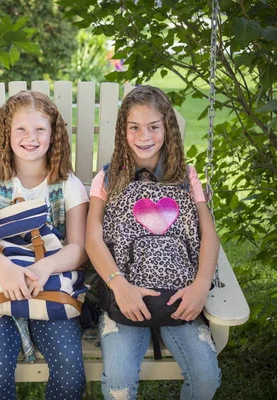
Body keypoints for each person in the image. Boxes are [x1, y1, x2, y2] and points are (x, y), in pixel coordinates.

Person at [85, 85, 221, 399]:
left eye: (153, 127)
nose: (144, 136)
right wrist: (119, 286)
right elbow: (93, 237)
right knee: (118, 385)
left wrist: (201, 285)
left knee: (205, 379)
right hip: (126, 299)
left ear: (167, 129)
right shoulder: (106, 179)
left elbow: (208, 234)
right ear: (123, 131)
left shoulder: (186, 176)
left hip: (181, 296)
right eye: (134, 127)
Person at [0, 91, 89, 400]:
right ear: (6, 134)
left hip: (50, 286)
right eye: (20, 129)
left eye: (39, 129)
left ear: (53, 135)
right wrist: (6, 269)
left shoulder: (68, 185)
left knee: (70, 366)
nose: (30, 138)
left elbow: (79, 248)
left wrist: (43, 267)